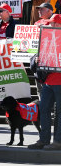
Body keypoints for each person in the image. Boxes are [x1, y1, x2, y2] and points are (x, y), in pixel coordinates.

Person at [29, 14, 61, 150]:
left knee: (59, 112)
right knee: (43, 109)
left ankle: (58, 141)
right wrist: (36, 59)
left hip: (59, 83)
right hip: (48, 82)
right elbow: (37, 53)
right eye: (50, 23)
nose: (51, 26)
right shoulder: (46, 37)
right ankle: (44, 139)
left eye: (54, 24)